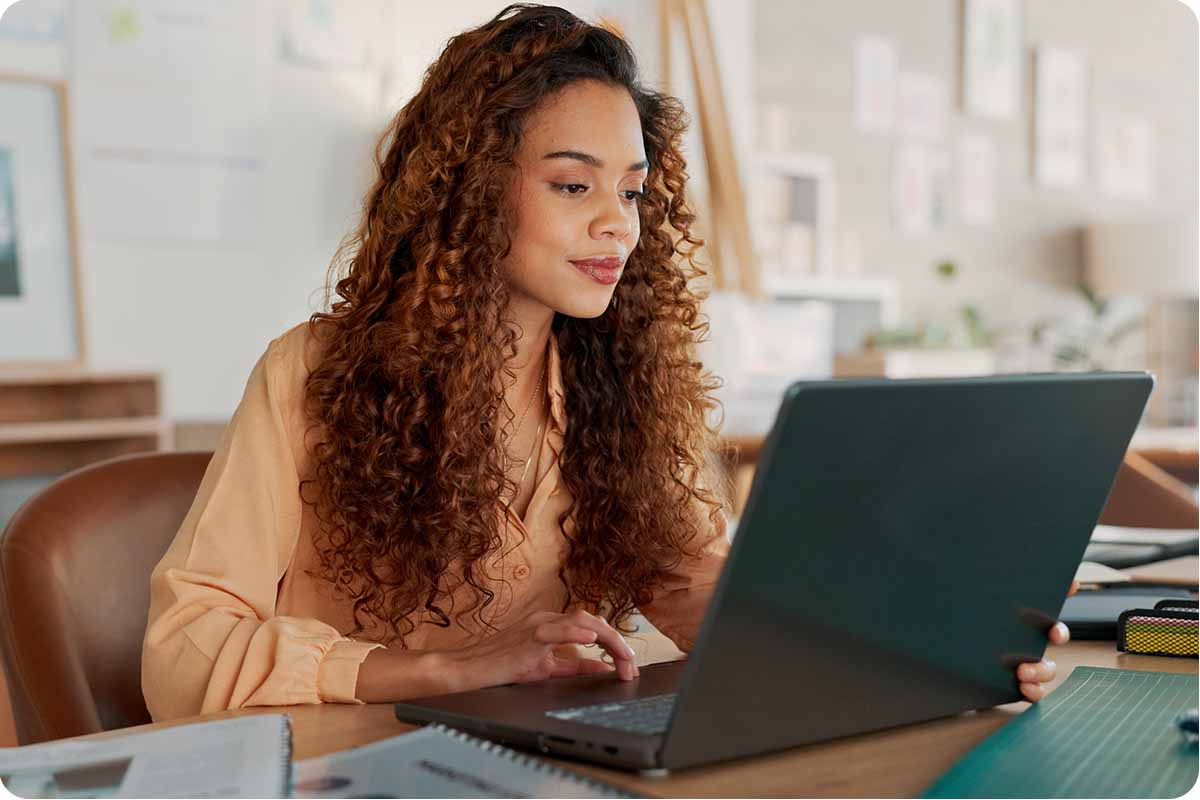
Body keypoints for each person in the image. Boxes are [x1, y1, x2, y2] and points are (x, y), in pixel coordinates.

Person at [141, 3, 1067, 721]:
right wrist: (442, 669)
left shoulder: (621, 385)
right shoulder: (314, 370)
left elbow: (702, 589)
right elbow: (183, 649)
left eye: (630, 191)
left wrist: (916, 642)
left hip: (552, 762)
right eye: (573, 185)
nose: (617, 224)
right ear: (469, 193)